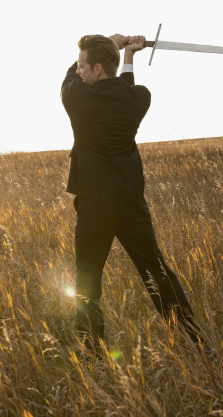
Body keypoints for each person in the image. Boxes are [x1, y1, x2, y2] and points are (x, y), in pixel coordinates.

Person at [61, 34, 201, 351]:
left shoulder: (76, 98)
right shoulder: (139, 99)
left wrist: (115, 46)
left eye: (84, 66)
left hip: (96, 203)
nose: (79, 70)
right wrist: (127, 56)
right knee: (156, 271)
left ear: (97, 68)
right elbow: (121, 90)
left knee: (87, 277)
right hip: (130, 201)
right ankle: (192, 341)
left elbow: (70, 77)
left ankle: (91, 350)